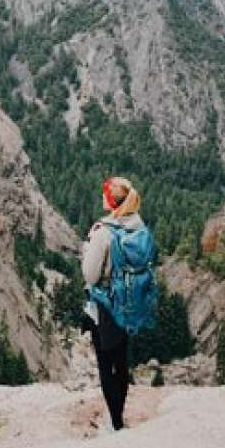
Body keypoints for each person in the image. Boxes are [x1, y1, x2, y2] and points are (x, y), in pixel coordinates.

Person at [80, 176, 148, 431]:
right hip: (129, 304)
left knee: (105, 365)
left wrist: (85, 251)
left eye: (105, 193)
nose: (101, 197)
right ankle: (119, 417)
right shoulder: (137, 225)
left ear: (111, 200)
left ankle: (116, 422)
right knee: (122, 363)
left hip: (106, 307)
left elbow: (90, 275)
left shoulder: (103, 232)